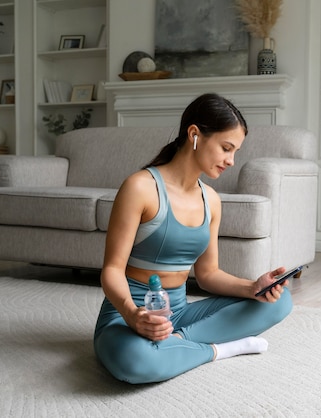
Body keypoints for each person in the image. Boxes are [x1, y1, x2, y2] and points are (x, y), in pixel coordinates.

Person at [94, 93, 293, 384]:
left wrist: (254, 287)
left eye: (235, 151)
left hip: (179, 314)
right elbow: (111, 269)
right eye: (226, 148)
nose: (231, 161)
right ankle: (217, 350)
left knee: (280, 301)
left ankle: (174, 343)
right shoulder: (140, 187)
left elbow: (208, 275)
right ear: (195, 135)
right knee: (135, 362)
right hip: (128, 315)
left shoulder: (211, 200)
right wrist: (133, 315)